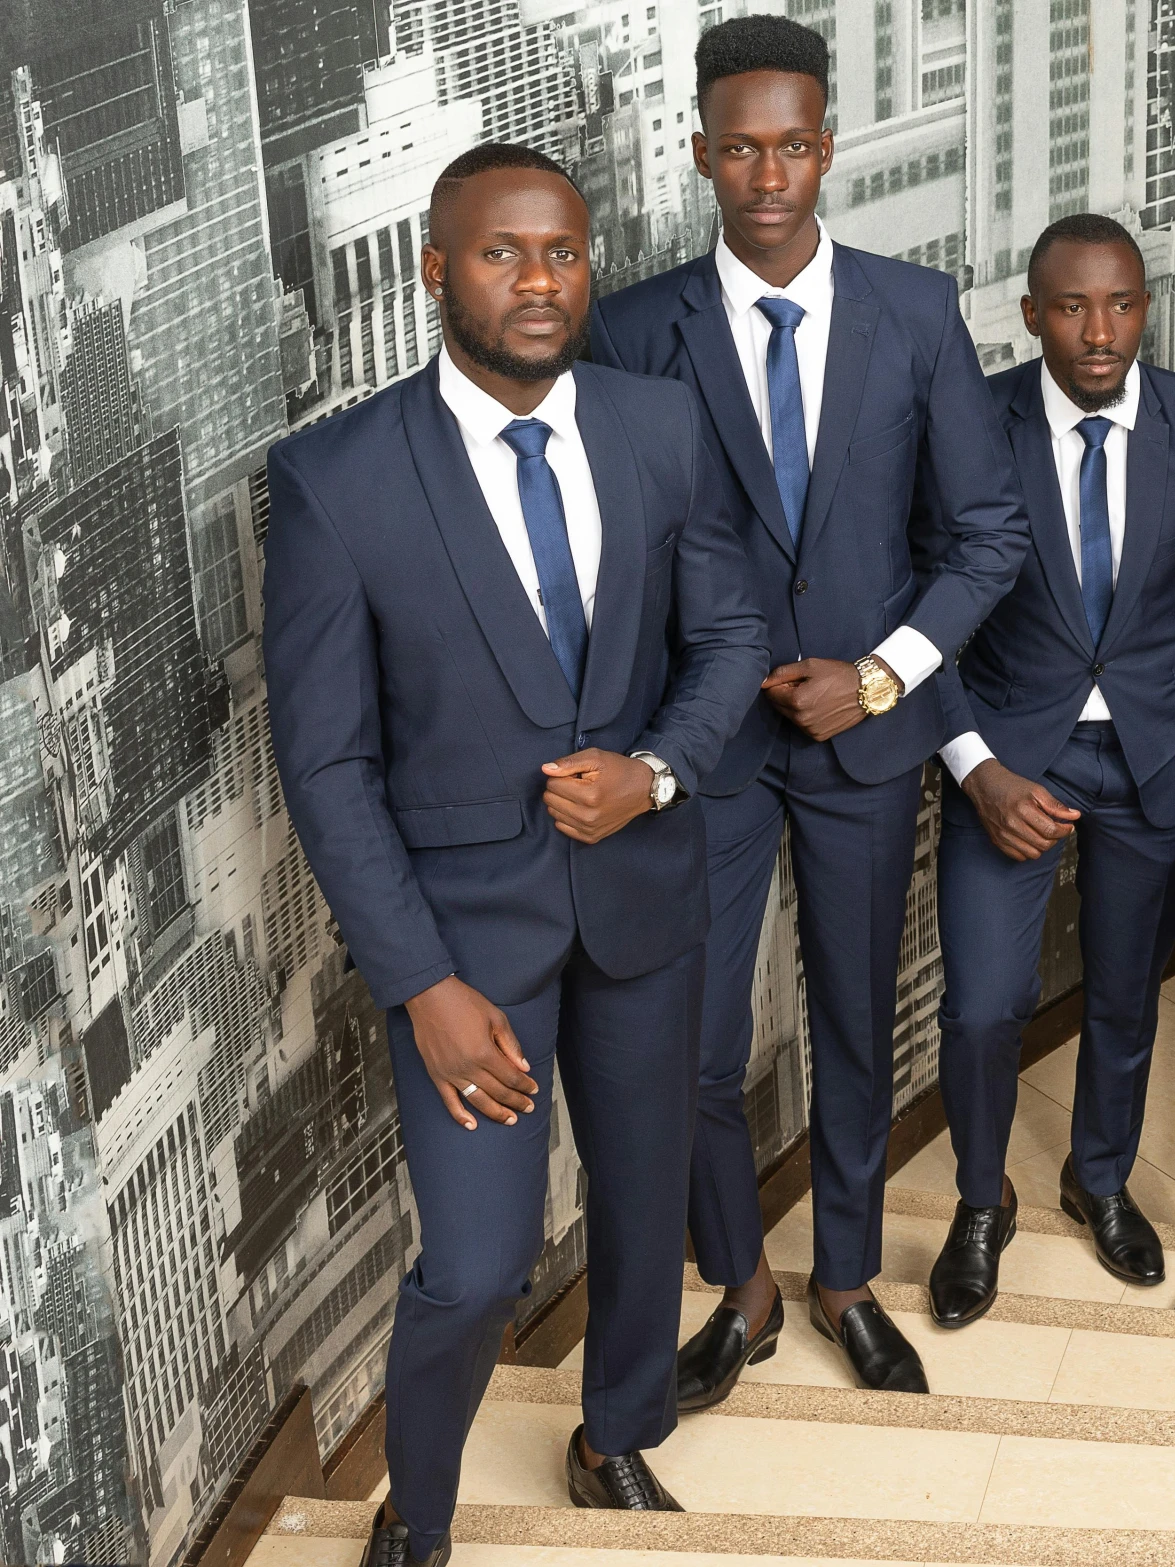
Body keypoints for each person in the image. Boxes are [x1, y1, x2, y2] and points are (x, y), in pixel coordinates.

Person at [264, 145, 768, 1564]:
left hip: (642, 904)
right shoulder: (335, 481)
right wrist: (419, 979)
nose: (539, 279)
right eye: (502, 253)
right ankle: (416, 1513)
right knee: (478, 1262)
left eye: (562, 250)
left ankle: (615, 1429)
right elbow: (328, 764)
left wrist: (658, 768)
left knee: (642, 1184)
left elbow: (730, 636)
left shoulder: (661, 427)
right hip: (463, 946)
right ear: (437, 268)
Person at [589, 15, 1026, 1401]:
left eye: (792, 145)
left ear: (825, 147)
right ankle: (746, 1280)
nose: (767, 173)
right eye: (740, 148)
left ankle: (843, 1275)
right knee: (698, 1042)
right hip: (704, 753)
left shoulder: (913, 310)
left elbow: (988, 534)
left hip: (864, 742)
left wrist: (882, 672)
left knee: (851, 1021)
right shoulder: (631, 330)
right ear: (702, 152)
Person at [924, 215, 1175, 1323]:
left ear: (1145, 307)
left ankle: (1098, 1180)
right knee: (986, 1004)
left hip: (1157, 758)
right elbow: (915, 618)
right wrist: (976, 767)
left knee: (1125, 998)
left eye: (1121, 304)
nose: (1099, 331)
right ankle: (981, 1202)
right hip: (1005, 759)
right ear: (1030, 314)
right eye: (1072, 307)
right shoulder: (970, 423)